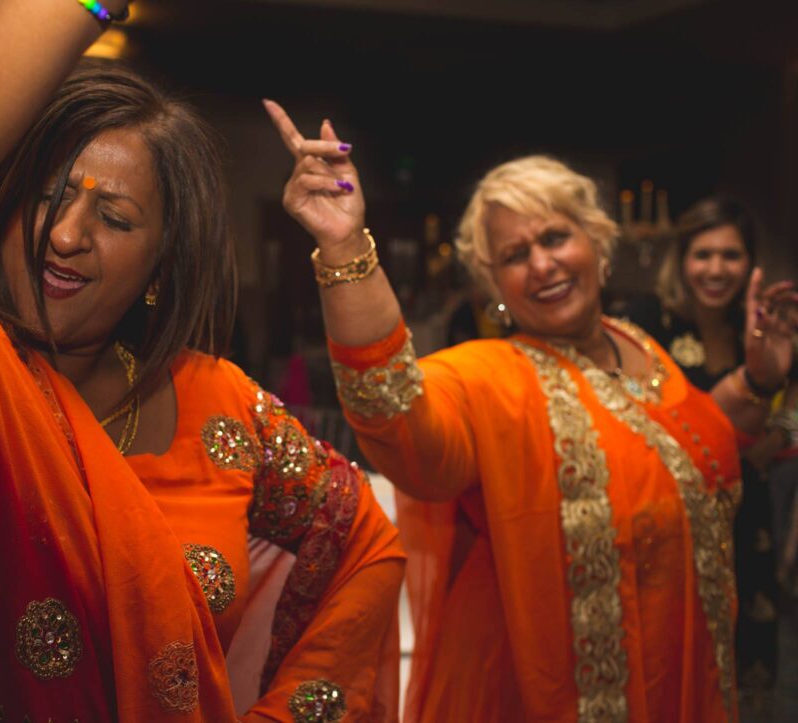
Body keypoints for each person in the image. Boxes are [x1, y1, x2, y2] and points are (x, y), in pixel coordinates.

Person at [0, 2, 403, 721]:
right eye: (48, 197)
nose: (68, 234)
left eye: (114, 218)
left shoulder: (219, 403)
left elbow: (362, 541)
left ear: (159, 266)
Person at [264, 100, 797, 722]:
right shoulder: (492, 377)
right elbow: (395, 414)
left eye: (554, 238)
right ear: (496, 285)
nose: (541, 264)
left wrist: (760, 379)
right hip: (544, 695)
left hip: (683, 682)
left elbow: (697, 432)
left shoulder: (639, 345)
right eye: (515, 256)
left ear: (596, 242)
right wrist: (345, 248)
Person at [625, 197, 797, 694]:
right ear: (681, 261)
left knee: (753, 657)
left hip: (751, 514)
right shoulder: (646, 323)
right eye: (703, 255)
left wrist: (780, 433)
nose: (716, 269)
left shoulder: (767, 321)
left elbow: (793, 402)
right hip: (672, 517)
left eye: (731, 255)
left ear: (750, 262)